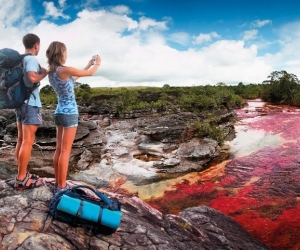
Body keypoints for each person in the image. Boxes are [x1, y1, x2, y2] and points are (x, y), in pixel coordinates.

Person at [46, 41, 101, 191]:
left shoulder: (52, 72)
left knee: (59, 150)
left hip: (59, 113)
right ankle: (62, 187)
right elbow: (90, 74)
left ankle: (58, 183)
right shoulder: (65, 69)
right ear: (61, 54)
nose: (66, 54)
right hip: (69, 114)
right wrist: (98, 64)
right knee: (65, 151)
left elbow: (74, 79)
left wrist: (89, 64)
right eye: (65, 52)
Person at [14, 33, 48, 190]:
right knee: (27, 142)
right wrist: (44, 74)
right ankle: (21, 179)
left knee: (21, 141)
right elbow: (32, 78)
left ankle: (22, 173)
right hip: (30, 104)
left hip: (20, 103)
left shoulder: (20, 59)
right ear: (36, 45)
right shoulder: (32, 59)